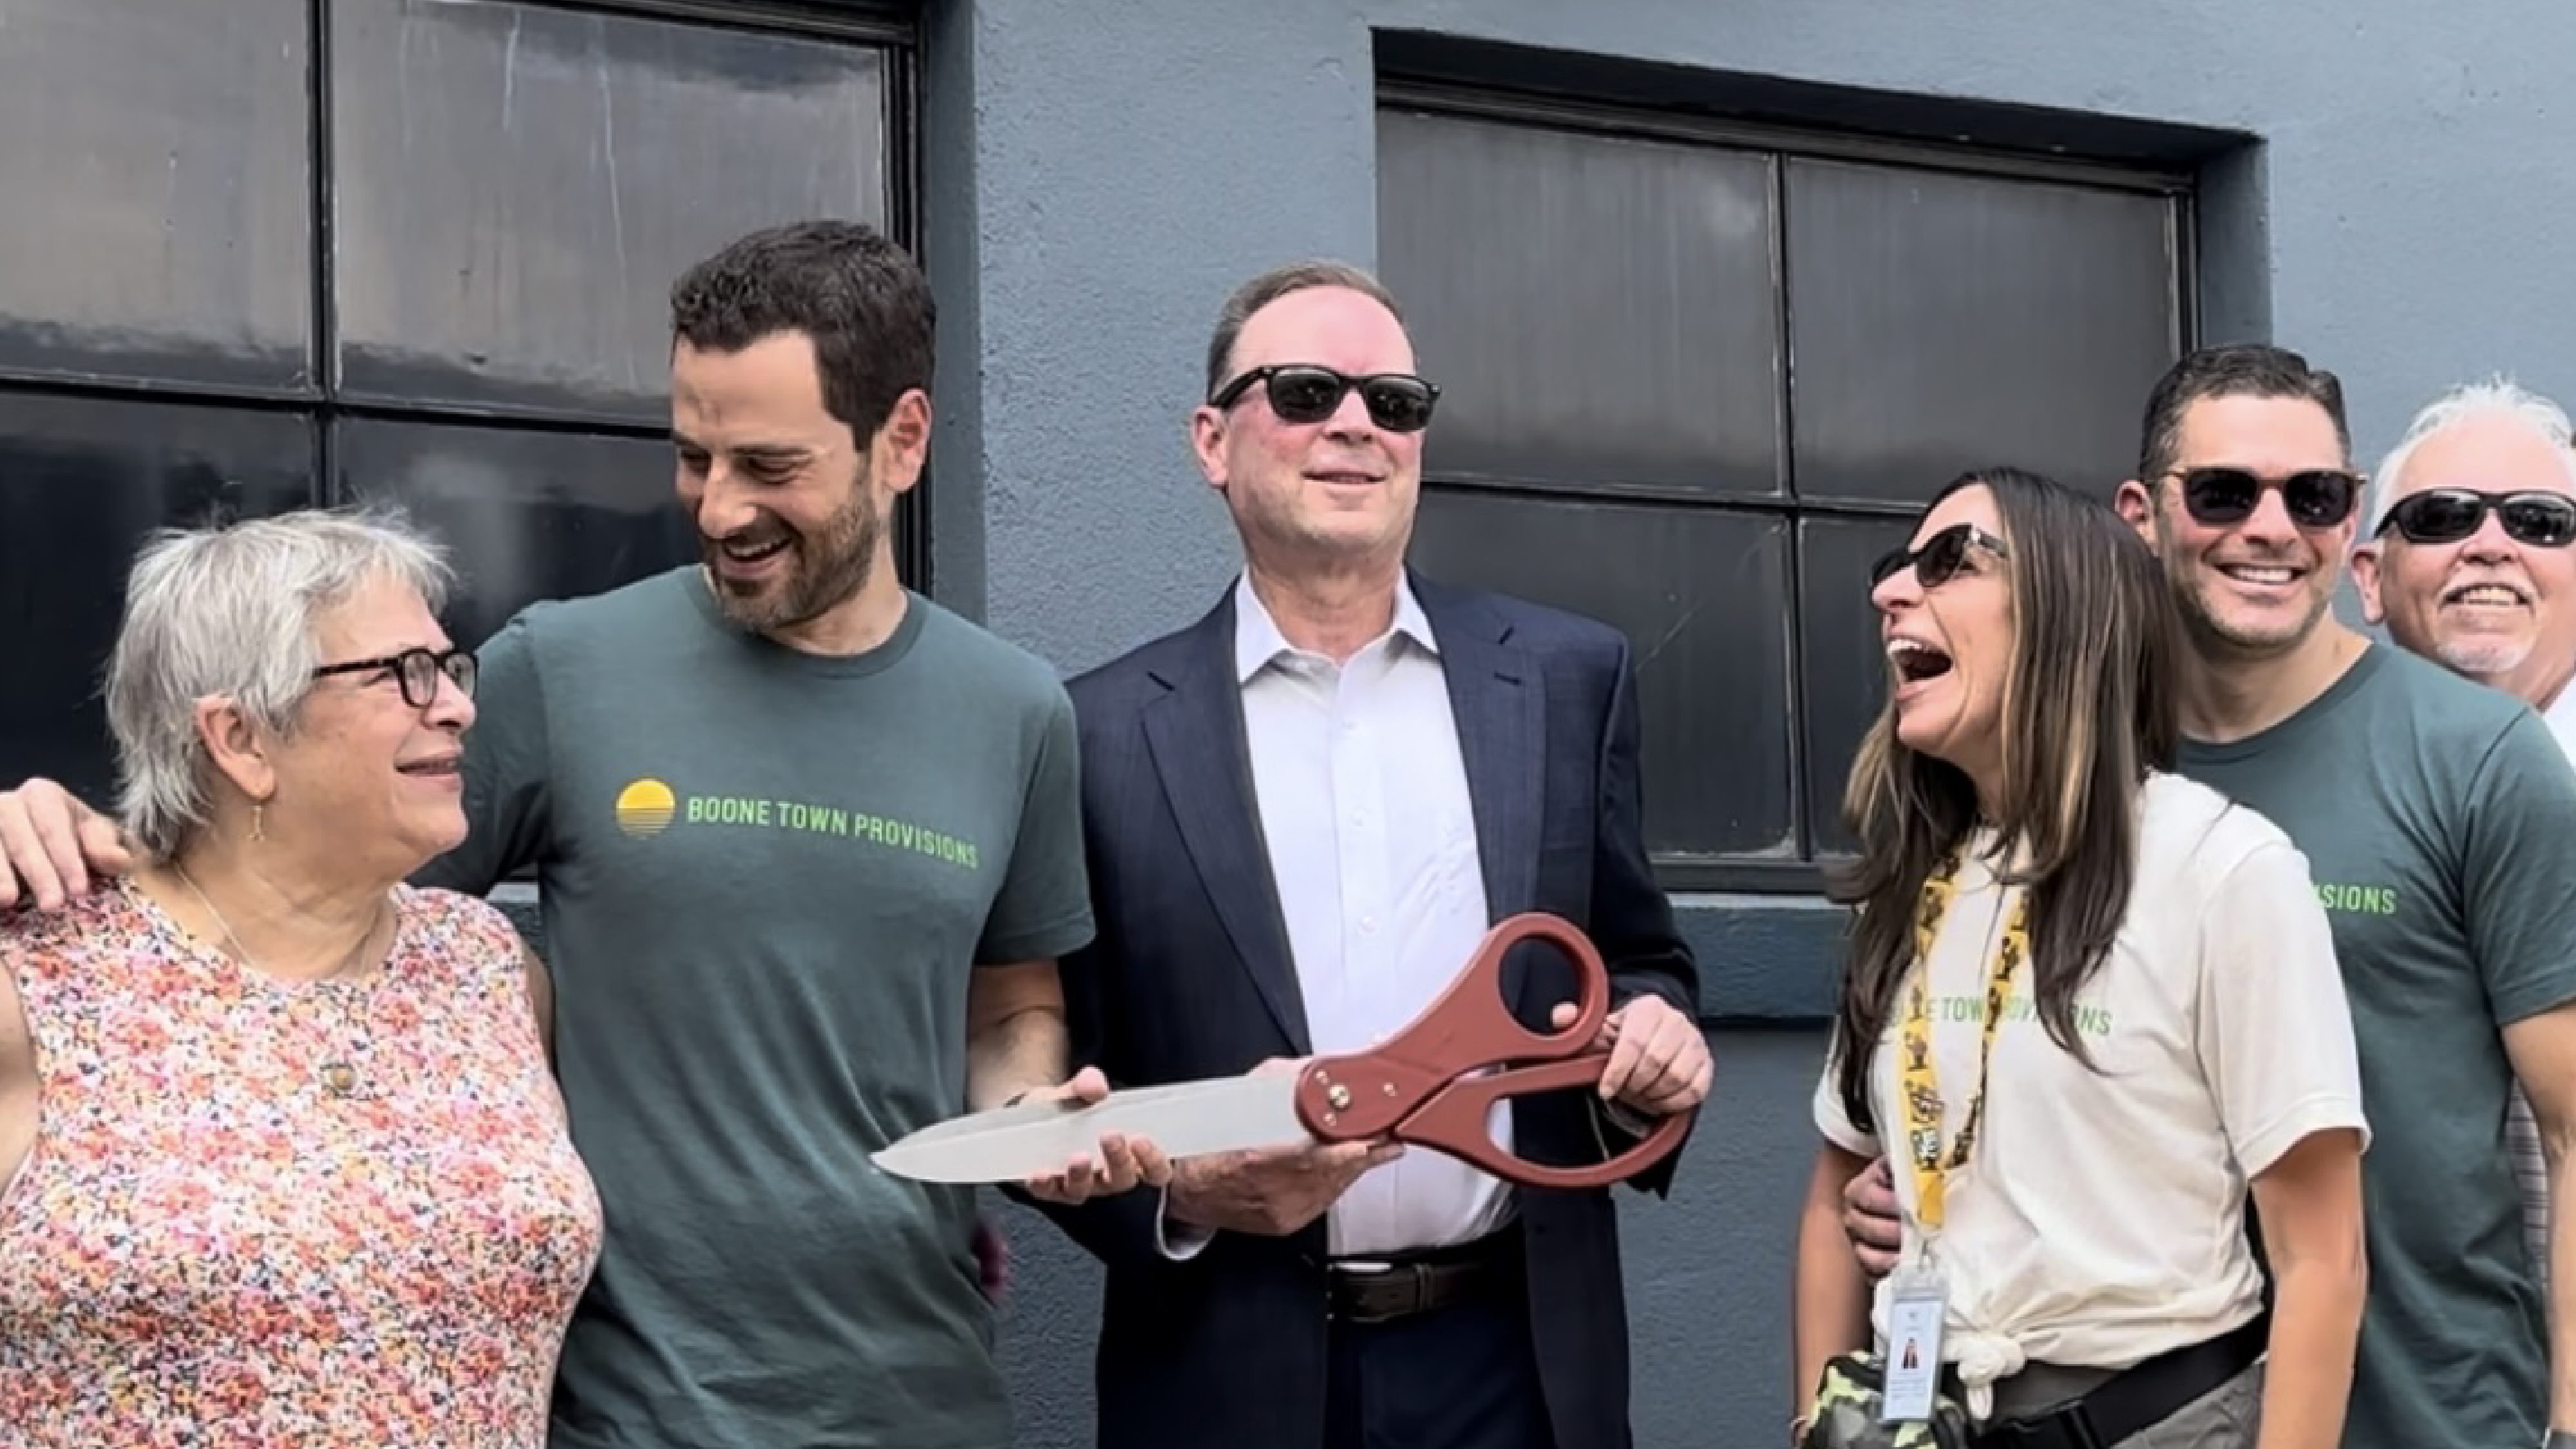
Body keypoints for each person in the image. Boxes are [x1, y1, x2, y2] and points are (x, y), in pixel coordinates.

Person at [0, 221, 1148, 1449]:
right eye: (695, 455)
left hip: (922, 1400)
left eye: (769, 463)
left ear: (902, 440)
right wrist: (60, 840)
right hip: (640, 1414)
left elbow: (1007, 1004)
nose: (720, 507)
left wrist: (1038, 1117)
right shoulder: (564, 667)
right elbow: (282, 868)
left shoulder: (1015, 710)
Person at [1837, 345, 2576, 1449]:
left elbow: (2572, 1134)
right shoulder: (2061, 764)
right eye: (2225, 492)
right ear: (2141, 511)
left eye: (2313, 496)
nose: (2271, 528)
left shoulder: (2479, 759)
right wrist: (1933, 1189)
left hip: (2427, 1409)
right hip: (2151, 1413)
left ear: (2350, 517)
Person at [1032, 260, 1712, 1449]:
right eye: (1304, 392)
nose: (1354, 424)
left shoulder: (1564, 679)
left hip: (1517, 1368)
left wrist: (1657, 1035)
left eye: (1393, 402)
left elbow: (1638, 959)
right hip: (1225, 1372)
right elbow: (1048, 1081)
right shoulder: (1089, 733)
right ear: (1212, 439)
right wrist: (1181, 1196)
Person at [1788, 466, 2366, 1449]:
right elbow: (1831, 1191)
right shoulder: (1914, 885)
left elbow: (2323, 1258)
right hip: (1915, 1415)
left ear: (2069, 607)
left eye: (1946, 562)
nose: (1890, 593)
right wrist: (1816, 1421)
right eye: (1896, 567)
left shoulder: (2225, 870)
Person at [0, 509, 601, 1447]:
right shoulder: (42, 982)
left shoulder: (488, 973)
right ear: (240, 737)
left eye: (448, 667)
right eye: (402, 673)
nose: (455, 703)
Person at [2350, 375, 2576, 1287]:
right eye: (2443, 517)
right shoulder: (2289, 797)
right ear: (2369, 577)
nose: (2491, 546)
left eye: (2540, 522)